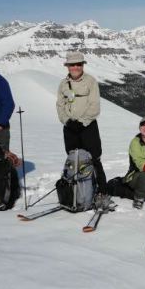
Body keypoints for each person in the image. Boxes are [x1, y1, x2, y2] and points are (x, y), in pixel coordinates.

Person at [56, 51, 108, 200]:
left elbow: (94, 106)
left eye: (79, 64)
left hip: (88, 127)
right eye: (72, 65)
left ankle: (102, 191)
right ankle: (77, 192)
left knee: (94, 158)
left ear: (82, 65)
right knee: (73, 160)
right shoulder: (63, 84)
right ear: (67, 66)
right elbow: (60, 105)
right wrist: (67, 121)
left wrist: (82, 122)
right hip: (70, 128)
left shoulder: (91, 81)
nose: (75, 67)